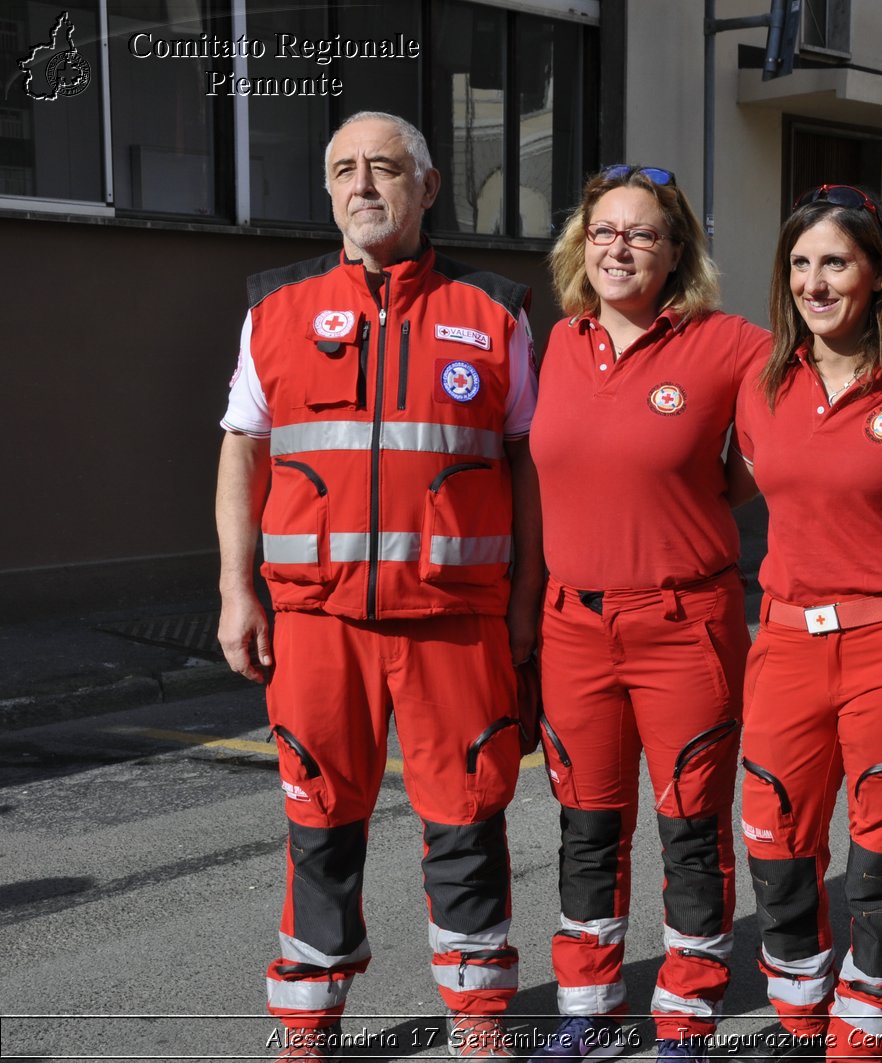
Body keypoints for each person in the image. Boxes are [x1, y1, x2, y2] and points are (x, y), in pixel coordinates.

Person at [216, 111, 541, 1061]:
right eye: (344, 170)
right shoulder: (274, 307)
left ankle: (478, 1016)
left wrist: (524, 607)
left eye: (385, 169)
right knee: (317, 818)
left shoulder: (495, 310)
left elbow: (527, 464)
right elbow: (244, 451)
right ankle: (308, 1018)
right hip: (316, 619)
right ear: (327, 190)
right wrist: (239, 590)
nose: (363, 186)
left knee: (470, 817)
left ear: (428, 187)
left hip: (457, 617)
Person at [526, 164, 769, 1063]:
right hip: (572, 625)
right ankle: (589, 1004)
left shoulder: (730, 344)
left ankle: (687, 1007)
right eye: (602, 232)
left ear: (677, 254)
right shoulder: (555, 343)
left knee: (690, 822)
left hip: (684, 622)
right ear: (579, 249)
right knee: (587, 821)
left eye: (641, 234)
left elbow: (799, 418)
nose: (619, 247)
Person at [733, 185, 882, 1061]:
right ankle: (797, 1003)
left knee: (881, 838)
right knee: (775, 829)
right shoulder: (761, 386)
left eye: (835, 261)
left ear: (877, 273)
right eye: (800, 263)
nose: (815, 281)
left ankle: (869, 1012)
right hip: (787, 635)